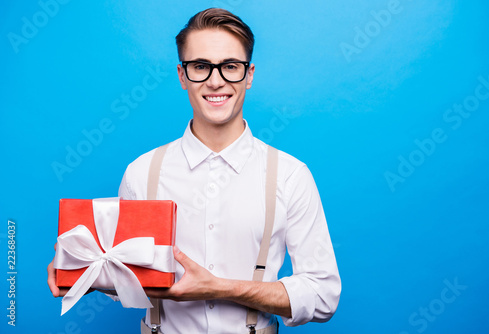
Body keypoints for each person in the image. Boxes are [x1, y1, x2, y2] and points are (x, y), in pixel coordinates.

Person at [48, 7, 341, 333]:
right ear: (182, 76)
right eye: (201, 66)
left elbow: (323, 294)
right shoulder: (141, 172)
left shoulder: (290, 175)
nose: (216, 81)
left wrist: (222, 288)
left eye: (230, 66)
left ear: (250, 74)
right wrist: (82, 270)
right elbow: (127, 278)